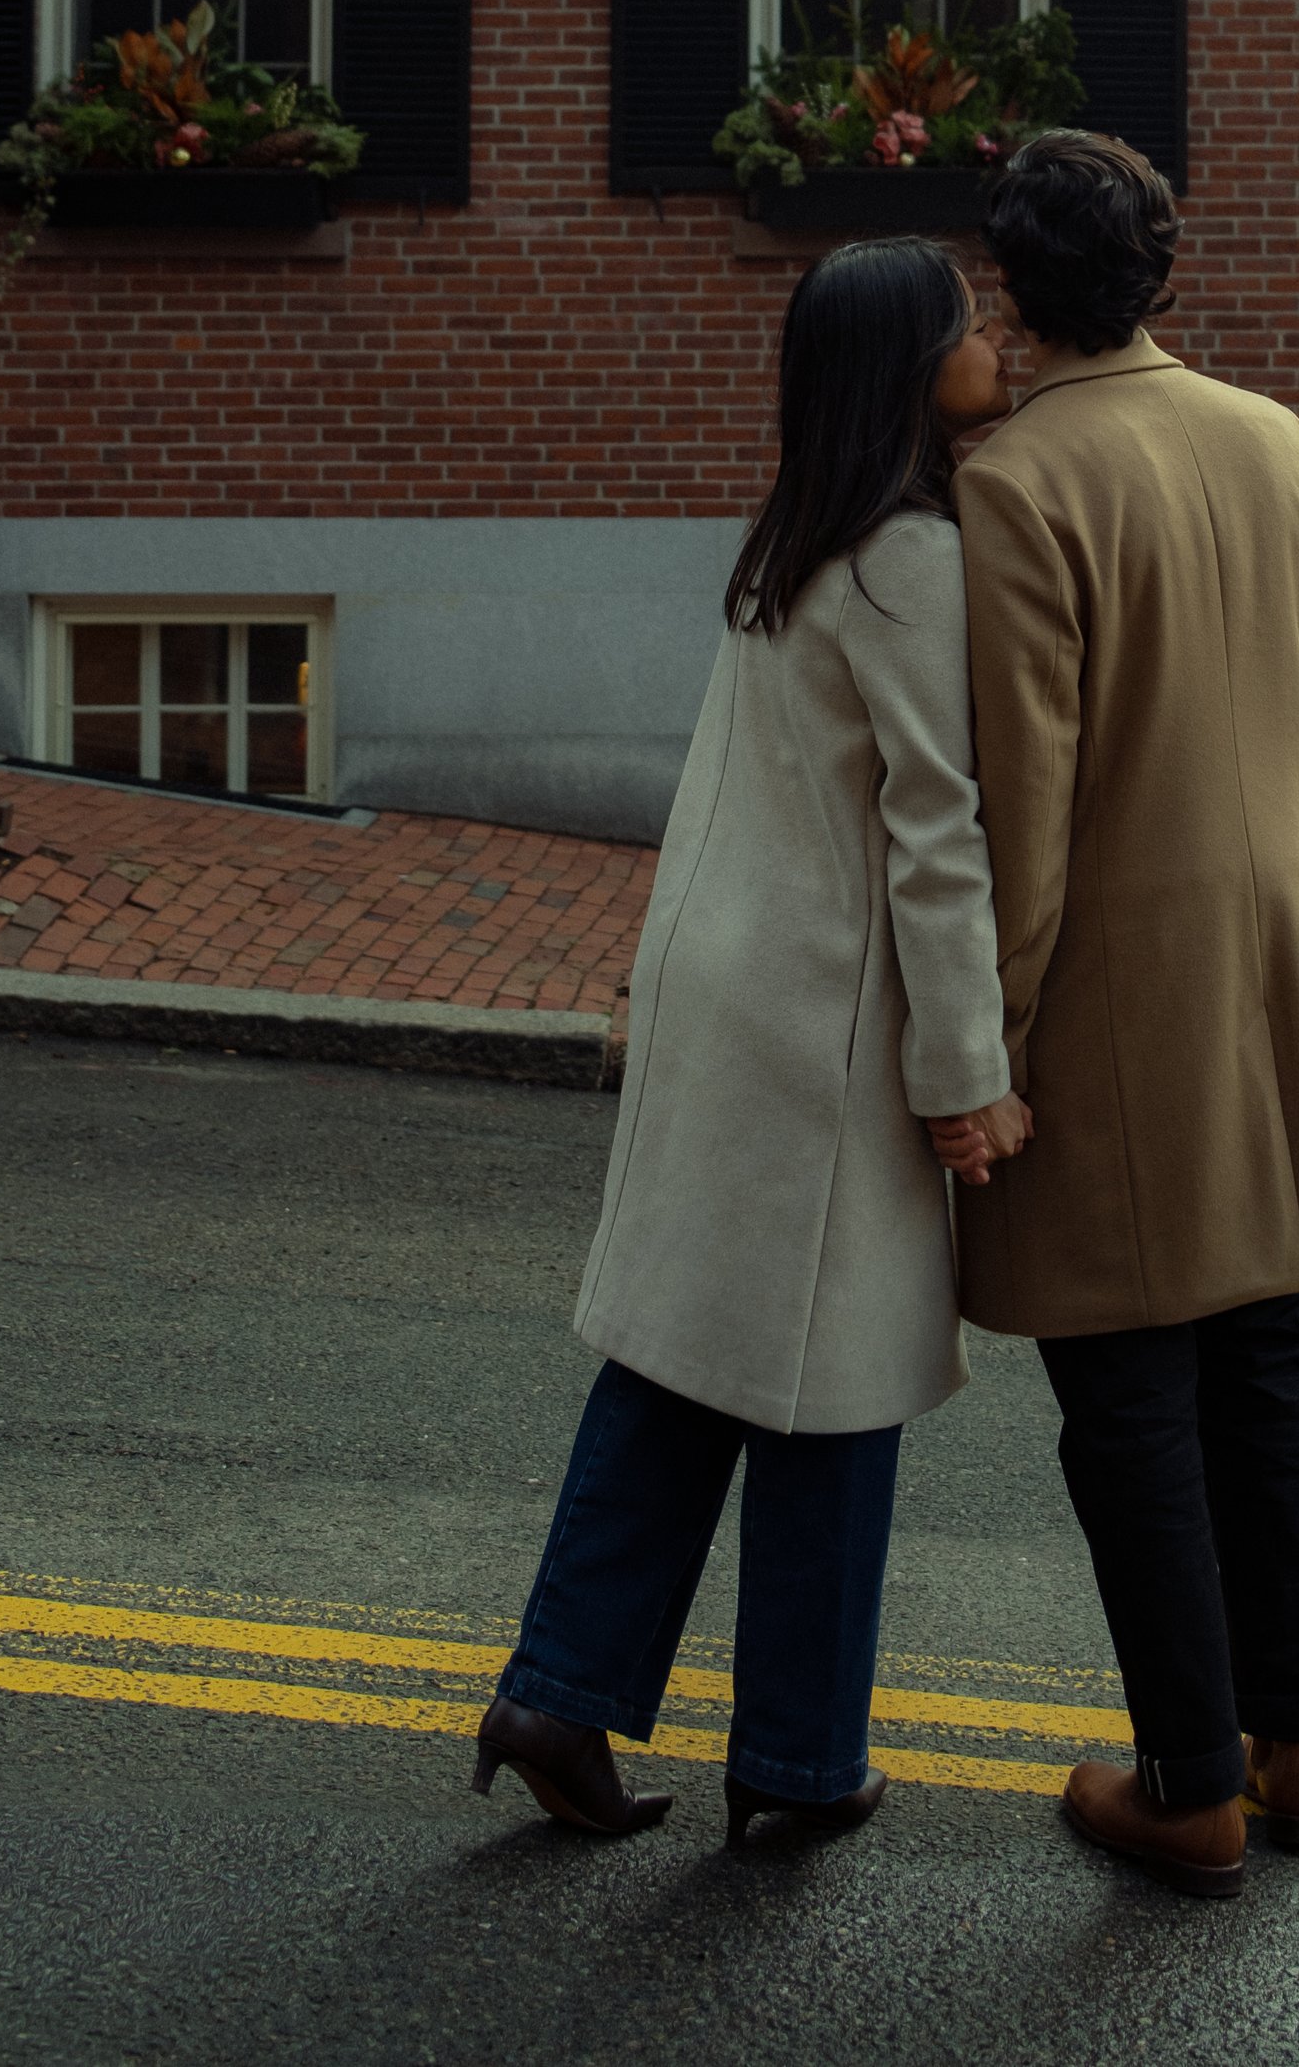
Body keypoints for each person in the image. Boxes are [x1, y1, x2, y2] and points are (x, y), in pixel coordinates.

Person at [476, 237, 1029, 1852]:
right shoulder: (907, 554)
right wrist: (966, 1072)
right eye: (964, 323)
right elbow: (939, 832)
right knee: (833, 1384)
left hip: (726, 978)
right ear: (911, 369)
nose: (991, 338)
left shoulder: (797, 533)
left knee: (682, 1363)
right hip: (823, 1016)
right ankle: (796, 1755)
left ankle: (557, 1687)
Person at [940, 129, 1299, 1901]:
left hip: (1119, 963)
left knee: (1125, 1376)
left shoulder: (1017, 480)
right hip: (1280, 942)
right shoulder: (1274, 438)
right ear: (1161, 273)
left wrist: (987, 1038)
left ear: (1015, 293)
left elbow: (1020, 805)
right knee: (1259, 1349)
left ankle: (1187, 1778)